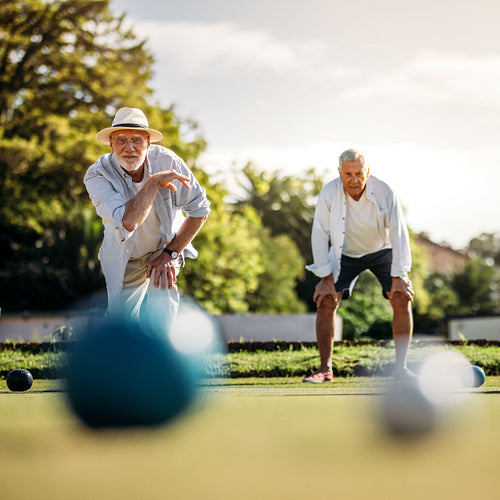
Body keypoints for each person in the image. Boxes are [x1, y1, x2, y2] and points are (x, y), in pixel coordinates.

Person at [84, 107, 210, 323]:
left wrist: (170, 253)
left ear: (148, 144)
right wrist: (154, 182)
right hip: (125, 255)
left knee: (162, 318)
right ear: (111, 144)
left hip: (163, 249)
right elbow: (129, 222)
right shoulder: (97, 175)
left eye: (137, 140)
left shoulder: (168, 161)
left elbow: (201, 210)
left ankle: (164, 355)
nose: (129, 148)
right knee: (120, 324)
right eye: (121, 140)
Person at [304, 148, 414, 382]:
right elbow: (320, 233)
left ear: (368, 172)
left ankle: (401, 369)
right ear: (339, 173)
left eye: (358, 173)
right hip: (345, 253)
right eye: (348, 174)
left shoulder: (385, 191)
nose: (353, 179)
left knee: (400, 296)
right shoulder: (329, 192)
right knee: (325, 300)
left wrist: (399, 274)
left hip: (382, 250)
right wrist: (325, 278)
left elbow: (398, 231)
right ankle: (325, 369)